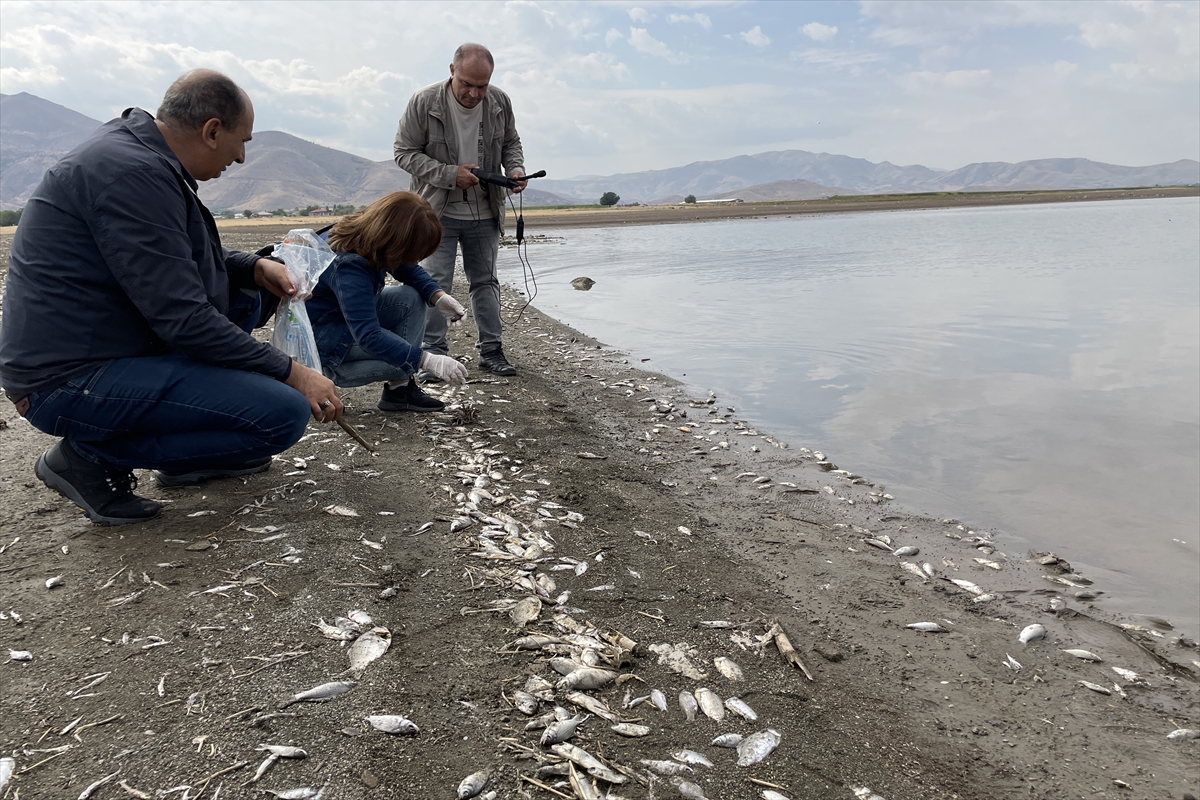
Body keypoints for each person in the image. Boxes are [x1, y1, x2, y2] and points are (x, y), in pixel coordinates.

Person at [0, 70, 343, 526]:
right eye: (242, 142)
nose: (241, 158)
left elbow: (165, 249)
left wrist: (251, 266)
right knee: (280, 413)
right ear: (212, 130)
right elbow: (185, 320)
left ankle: (186, 456)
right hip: (66, 379)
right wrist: (294, 373)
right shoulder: (131, 172)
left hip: (103, 349)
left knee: (242, 299)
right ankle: (87, 456)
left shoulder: (136, 155)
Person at [394, 42, 526, 378]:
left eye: (481, 86)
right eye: (467, 83)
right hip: (434, 214)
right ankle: (434, 356)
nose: (474, 93)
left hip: (486, 210)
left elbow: (511, 142)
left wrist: (515, 170)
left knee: (486, 282)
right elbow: (404, 153)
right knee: (435, 282)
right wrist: (451, 175)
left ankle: (492, 352)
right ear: (452, 71)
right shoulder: (424, 102)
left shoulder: (499, 101)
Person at [308, 191, 470, 410]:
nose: (413, 260)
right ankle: (395, 380)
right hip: (326, 348)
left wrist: (438, 296)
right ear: (396, 240)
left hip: (337, 321)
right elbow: (369, 335)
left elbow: (406, 267)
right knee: (404, 361)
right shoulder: (349, 266)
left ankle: (398, 391)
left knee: (410, 298)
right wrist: (426, 360)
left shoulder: (366, 233)